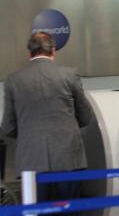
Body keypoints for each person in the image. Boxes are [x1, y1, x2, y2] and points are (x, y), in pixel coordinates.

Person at [1, 32, 93, 213]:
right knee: (69, 211)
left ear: (30, 53)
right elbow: (86, 117)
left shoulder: (13, 80)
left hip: (31, 162)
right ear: (53, 50)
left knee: (36, 211)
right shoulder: (69, 75)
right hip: (67, 158)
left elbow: (8, 128)